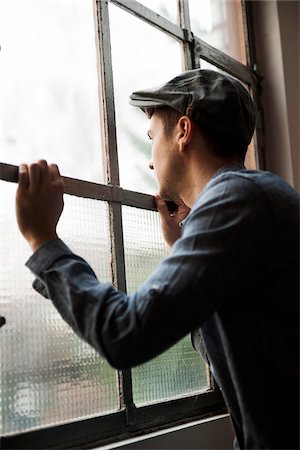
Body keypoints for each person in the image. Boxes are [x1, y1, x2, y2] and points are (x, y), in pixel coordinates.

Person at [15, 69, 299, 449]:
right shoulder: (255, 196)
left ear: (183, 131)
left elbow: (125, 335)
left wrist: (43, 240)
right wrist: (181, 248)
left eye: (152, 138)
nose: (150, 162)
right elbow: (240, 345)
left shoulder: (236, 198)